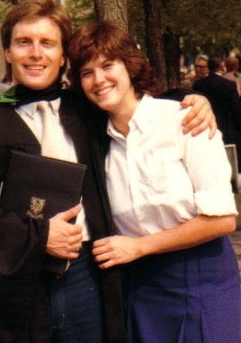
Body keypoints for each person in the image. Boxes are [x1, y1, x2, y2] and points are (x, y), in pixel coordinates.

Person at [0, 0, 215, 343]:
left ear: (63, 55)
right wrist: (38, 236)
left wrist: (191, 100)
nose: (35, 53)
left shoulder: (89, 110)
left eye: (48, 43)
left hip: (89, 279)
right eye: (23, 42)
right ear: (8, 52)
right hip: (19, 289)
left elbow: (138, 107)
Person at [68, 20, 241, 343]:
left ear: (130, 67)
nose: (99, 79)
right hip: (141, 290)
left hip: (201, 281)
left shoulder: (183, 121)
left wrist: (138, 247)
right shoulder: (97, 145)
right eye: (87, 73)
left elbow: (222, 220)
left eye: (108, 66)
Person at [193, 55, 241, 171]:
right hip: (226, 127)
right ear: (222, 66)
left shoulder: (198, 85)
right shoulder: (228, 85)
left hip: (206, 127)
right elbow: (236, 109)